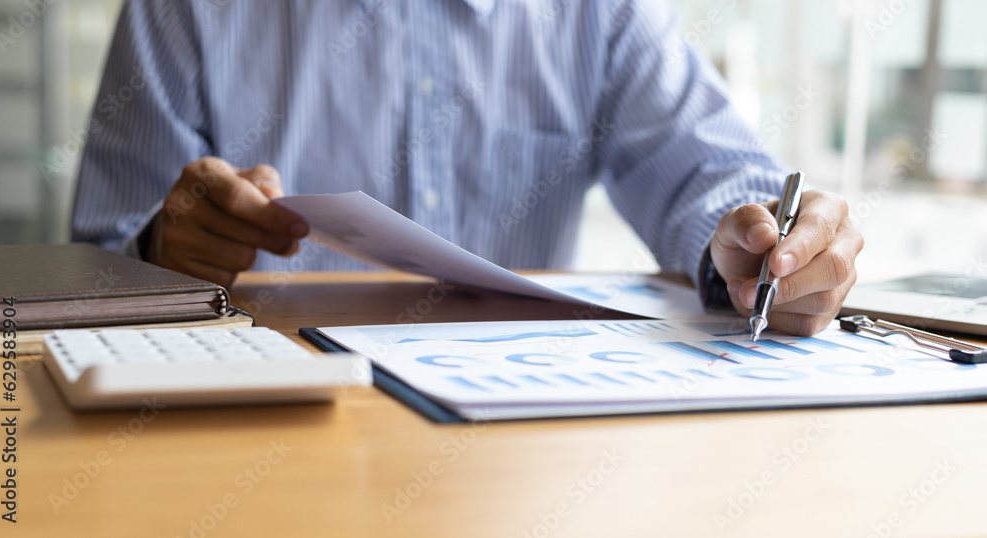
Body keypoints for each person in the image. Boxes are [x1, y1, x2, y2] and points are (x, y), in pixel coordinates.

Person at [72, 0, 863, 336]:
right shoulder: (183, 12)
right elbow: (91, 267)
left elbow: (708, 175)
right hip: (255, 437)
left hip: (517, 453)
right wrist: (154, 256)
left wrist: (765, 249)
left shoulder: (600, 14)